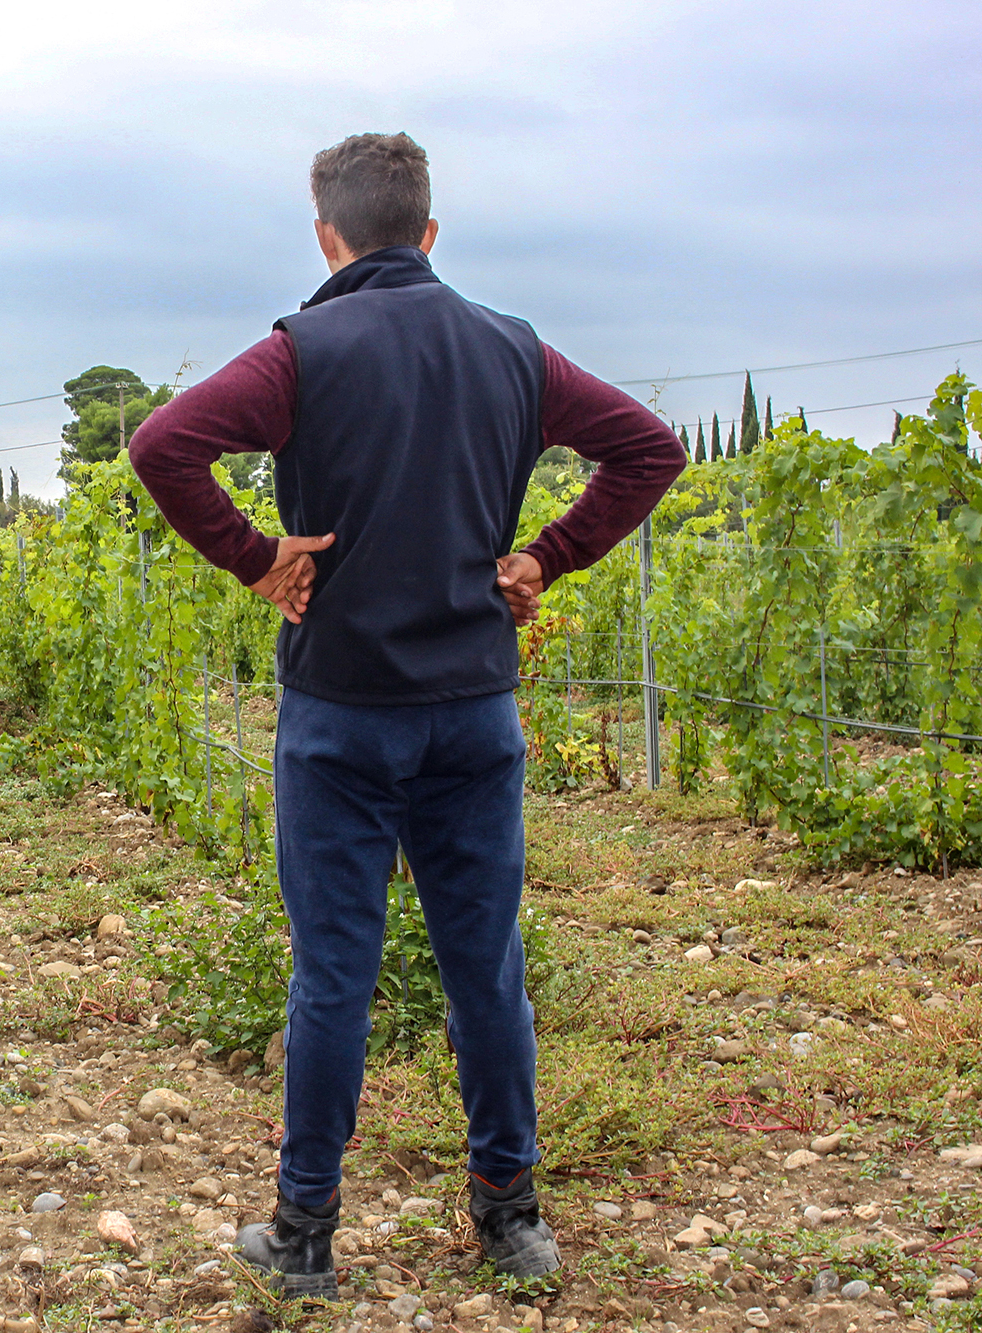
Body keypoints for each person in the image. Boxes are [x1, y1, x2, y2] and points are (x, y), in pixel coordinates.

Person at [128, 132, 686, 1294]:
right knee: (482, 965)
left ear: (324, 237)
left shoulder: (301, 350)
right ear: (429, 233)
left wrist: (253, 557)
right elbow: (647, 448)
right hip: (473, 714)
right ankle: (510, 1217)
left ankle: (304, 1239)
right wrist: (546, 555)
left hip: (337, 717)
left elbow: (164, 443)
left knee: (333, 971)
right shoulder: (511, 351)